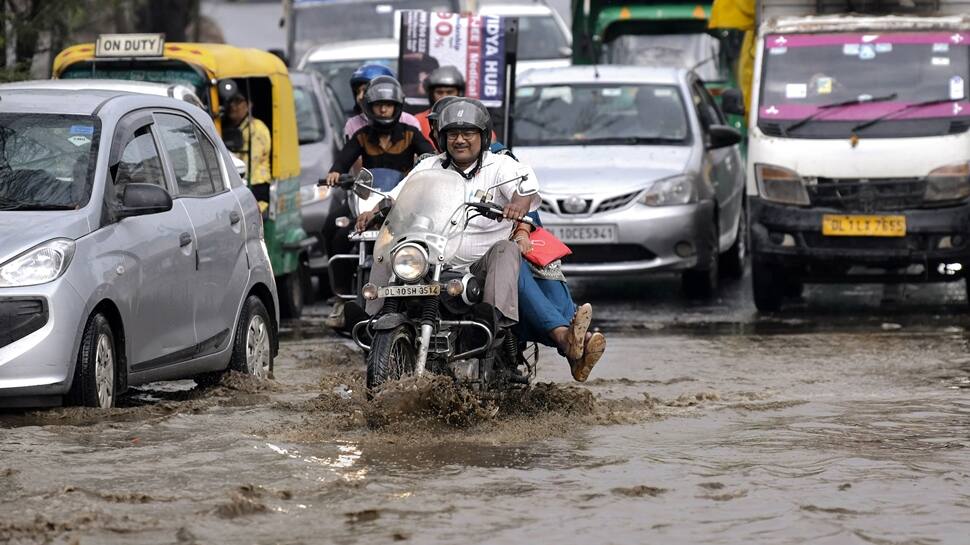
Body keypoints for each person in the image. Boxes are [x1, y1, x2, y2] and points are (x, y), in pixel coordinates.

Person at [358, 98, 606, 382]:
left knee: (505, 249)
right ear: (442, 137)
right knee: (393, 252)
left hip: (480, 266)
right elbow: (398, 194)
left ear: (483, 136)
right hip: (432, 261)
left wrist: (517, 205)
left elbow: (525, 188)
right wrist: (373, 212)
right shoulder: (429, 167)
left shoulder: (500, 166)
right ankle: (375, 322)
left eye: (468, 133)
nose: (460, 140)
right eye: (453, 134)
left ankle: (496, 324)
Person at [325, 75, 435, 187]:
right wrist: (336, 171)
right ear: (369, 107)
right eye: (378, 105)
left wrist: (432, 165)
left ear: (396, 106)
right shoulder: (362, 136)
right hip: (370, 196)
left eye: (388, 105)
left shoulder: (410, 133)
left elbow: (430, 156)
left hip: (403, 194)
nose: (383, 110)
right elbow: (344, 158)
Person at [343, 64, 422, 142]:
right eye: (357, 92)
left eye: (365, 91)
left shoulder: (409, 121)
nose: (359, 97)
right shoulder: (352, 124)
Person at [224, 90, 271, 213]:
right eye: (231, 102)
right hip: (241, 185)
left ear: (248, 105)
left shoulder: (256, 129)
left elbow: (250, 163)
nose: (233, 106)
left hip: (255, 187)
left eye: (238, 102)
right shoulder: (233, 128)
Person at [415, 65, 465, 143]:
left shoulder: (473, 118)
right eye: (439, 92)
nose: (444, 97)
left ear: (459, 93)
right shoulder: (417, 121)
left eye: (450, 92)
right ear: (431, 95)